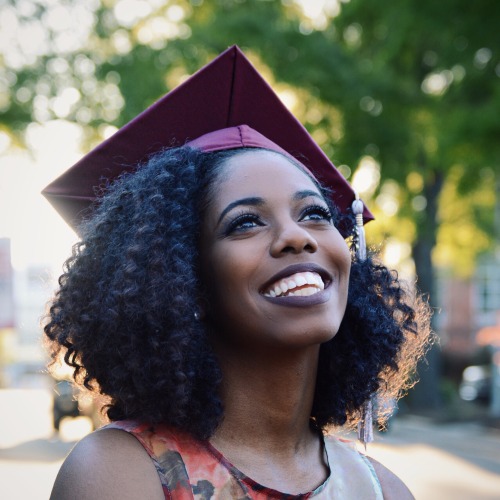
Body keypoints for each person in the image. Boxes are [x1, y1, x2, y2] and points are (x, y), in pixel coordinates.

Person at [43, 46, 431, 499]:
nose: (297, 237)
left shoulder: (382, 489)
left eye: (315, 213)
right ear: (186, 280)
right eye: (245, 222)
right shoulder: (123, 473)